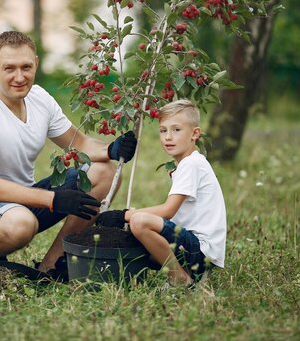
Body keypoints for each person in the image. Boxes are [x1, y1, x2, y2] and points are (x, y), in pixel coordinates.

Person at [0, 31, 137, 280]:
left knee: (103, 171)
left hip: (24, 200)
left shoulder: (39, 99)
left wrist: (111, 149)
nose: (19, 77)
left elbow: (78, 142)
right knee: (21, 224)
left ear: (36, 63)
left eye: (26, 67)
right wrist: (53, 199)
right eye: (9, 68)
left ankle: (53, 264)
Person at [96, 99, 226, 287]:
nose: (168, 137)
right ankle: (189, 273)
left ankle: (181, 279)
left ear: (195, 134)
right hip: (193, 246)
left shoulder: (191, 164)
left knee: (139, 221)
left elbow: (168, 211)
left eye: (176, 130)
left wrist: (123, 215)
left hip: (201, 250)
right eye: (163, 130)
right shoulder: (190, 163)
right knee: (137, 227)